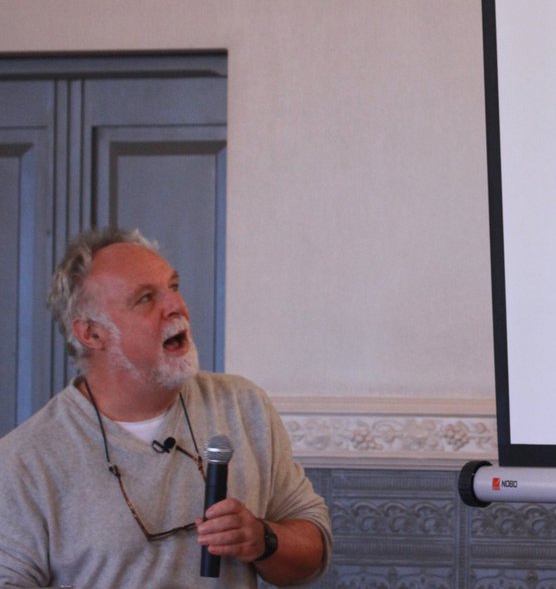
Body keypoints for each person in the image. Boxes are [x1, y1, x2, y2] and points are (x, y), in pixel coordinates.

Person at [0, 227, 332, 588]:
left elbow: (313, 553)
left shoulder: (243, 405)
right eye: (145, 298)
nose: (176, 306)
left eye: (173, 287)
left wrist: (263, 540)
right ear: (92, 334)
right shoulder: (25, 458)